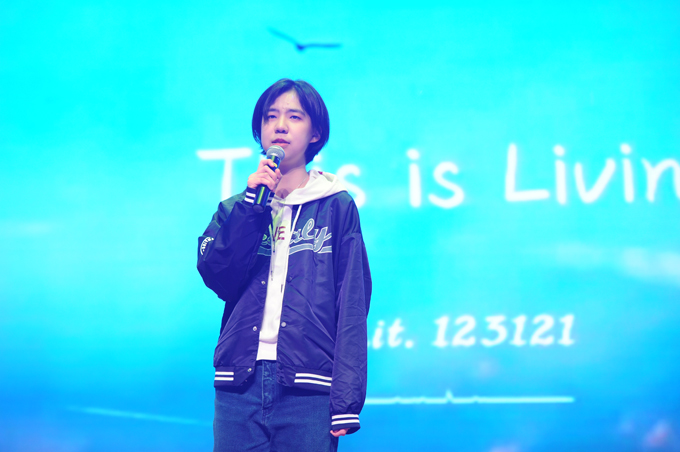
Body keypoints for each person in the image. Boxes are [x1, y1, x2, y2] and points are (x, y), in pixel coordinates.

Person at [197, 78, 372, 452]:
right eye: (270, 117)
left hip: (308, 389)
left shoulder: (337, 206)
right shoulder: (237, 208)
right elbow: (219, 278)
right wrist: (252, 207)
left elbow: (352, 303)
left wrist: (346, 400)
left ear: (315, 133)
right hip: (239, 385)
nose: (280, 126)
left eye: (294, 117)